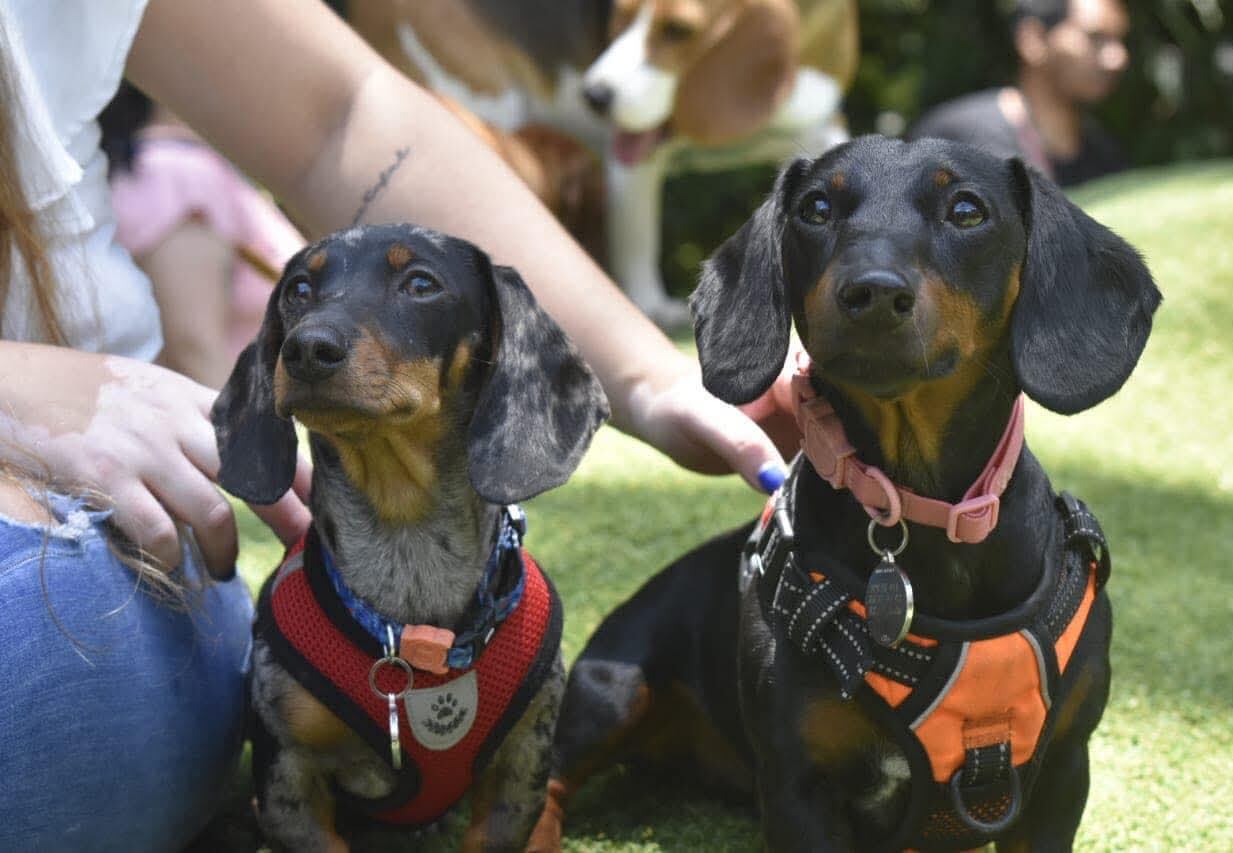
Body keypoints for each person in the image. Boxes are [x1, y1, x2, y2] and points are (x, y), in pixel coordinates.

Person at [0, 0, 790, 849]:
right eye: (301, 300)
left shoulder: (524, 634)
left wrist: (649, 375)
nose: (314, 338)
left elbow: (342, 114)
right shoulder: (299, 635)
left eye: (415, 289)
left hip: (139, 527)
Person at [102, 82, 306, 389]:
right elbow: (194, 347)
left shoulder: (162, 166)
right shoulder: (178, 174)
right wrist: (244, 435)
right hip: (224, 415)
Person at [908, 0, 1131, 187]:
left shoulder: (1102, 152)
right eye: (1095, 38)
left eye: (1119, 39)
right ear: (1033, 39)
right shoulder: (961, 138)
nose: (1118, 58)